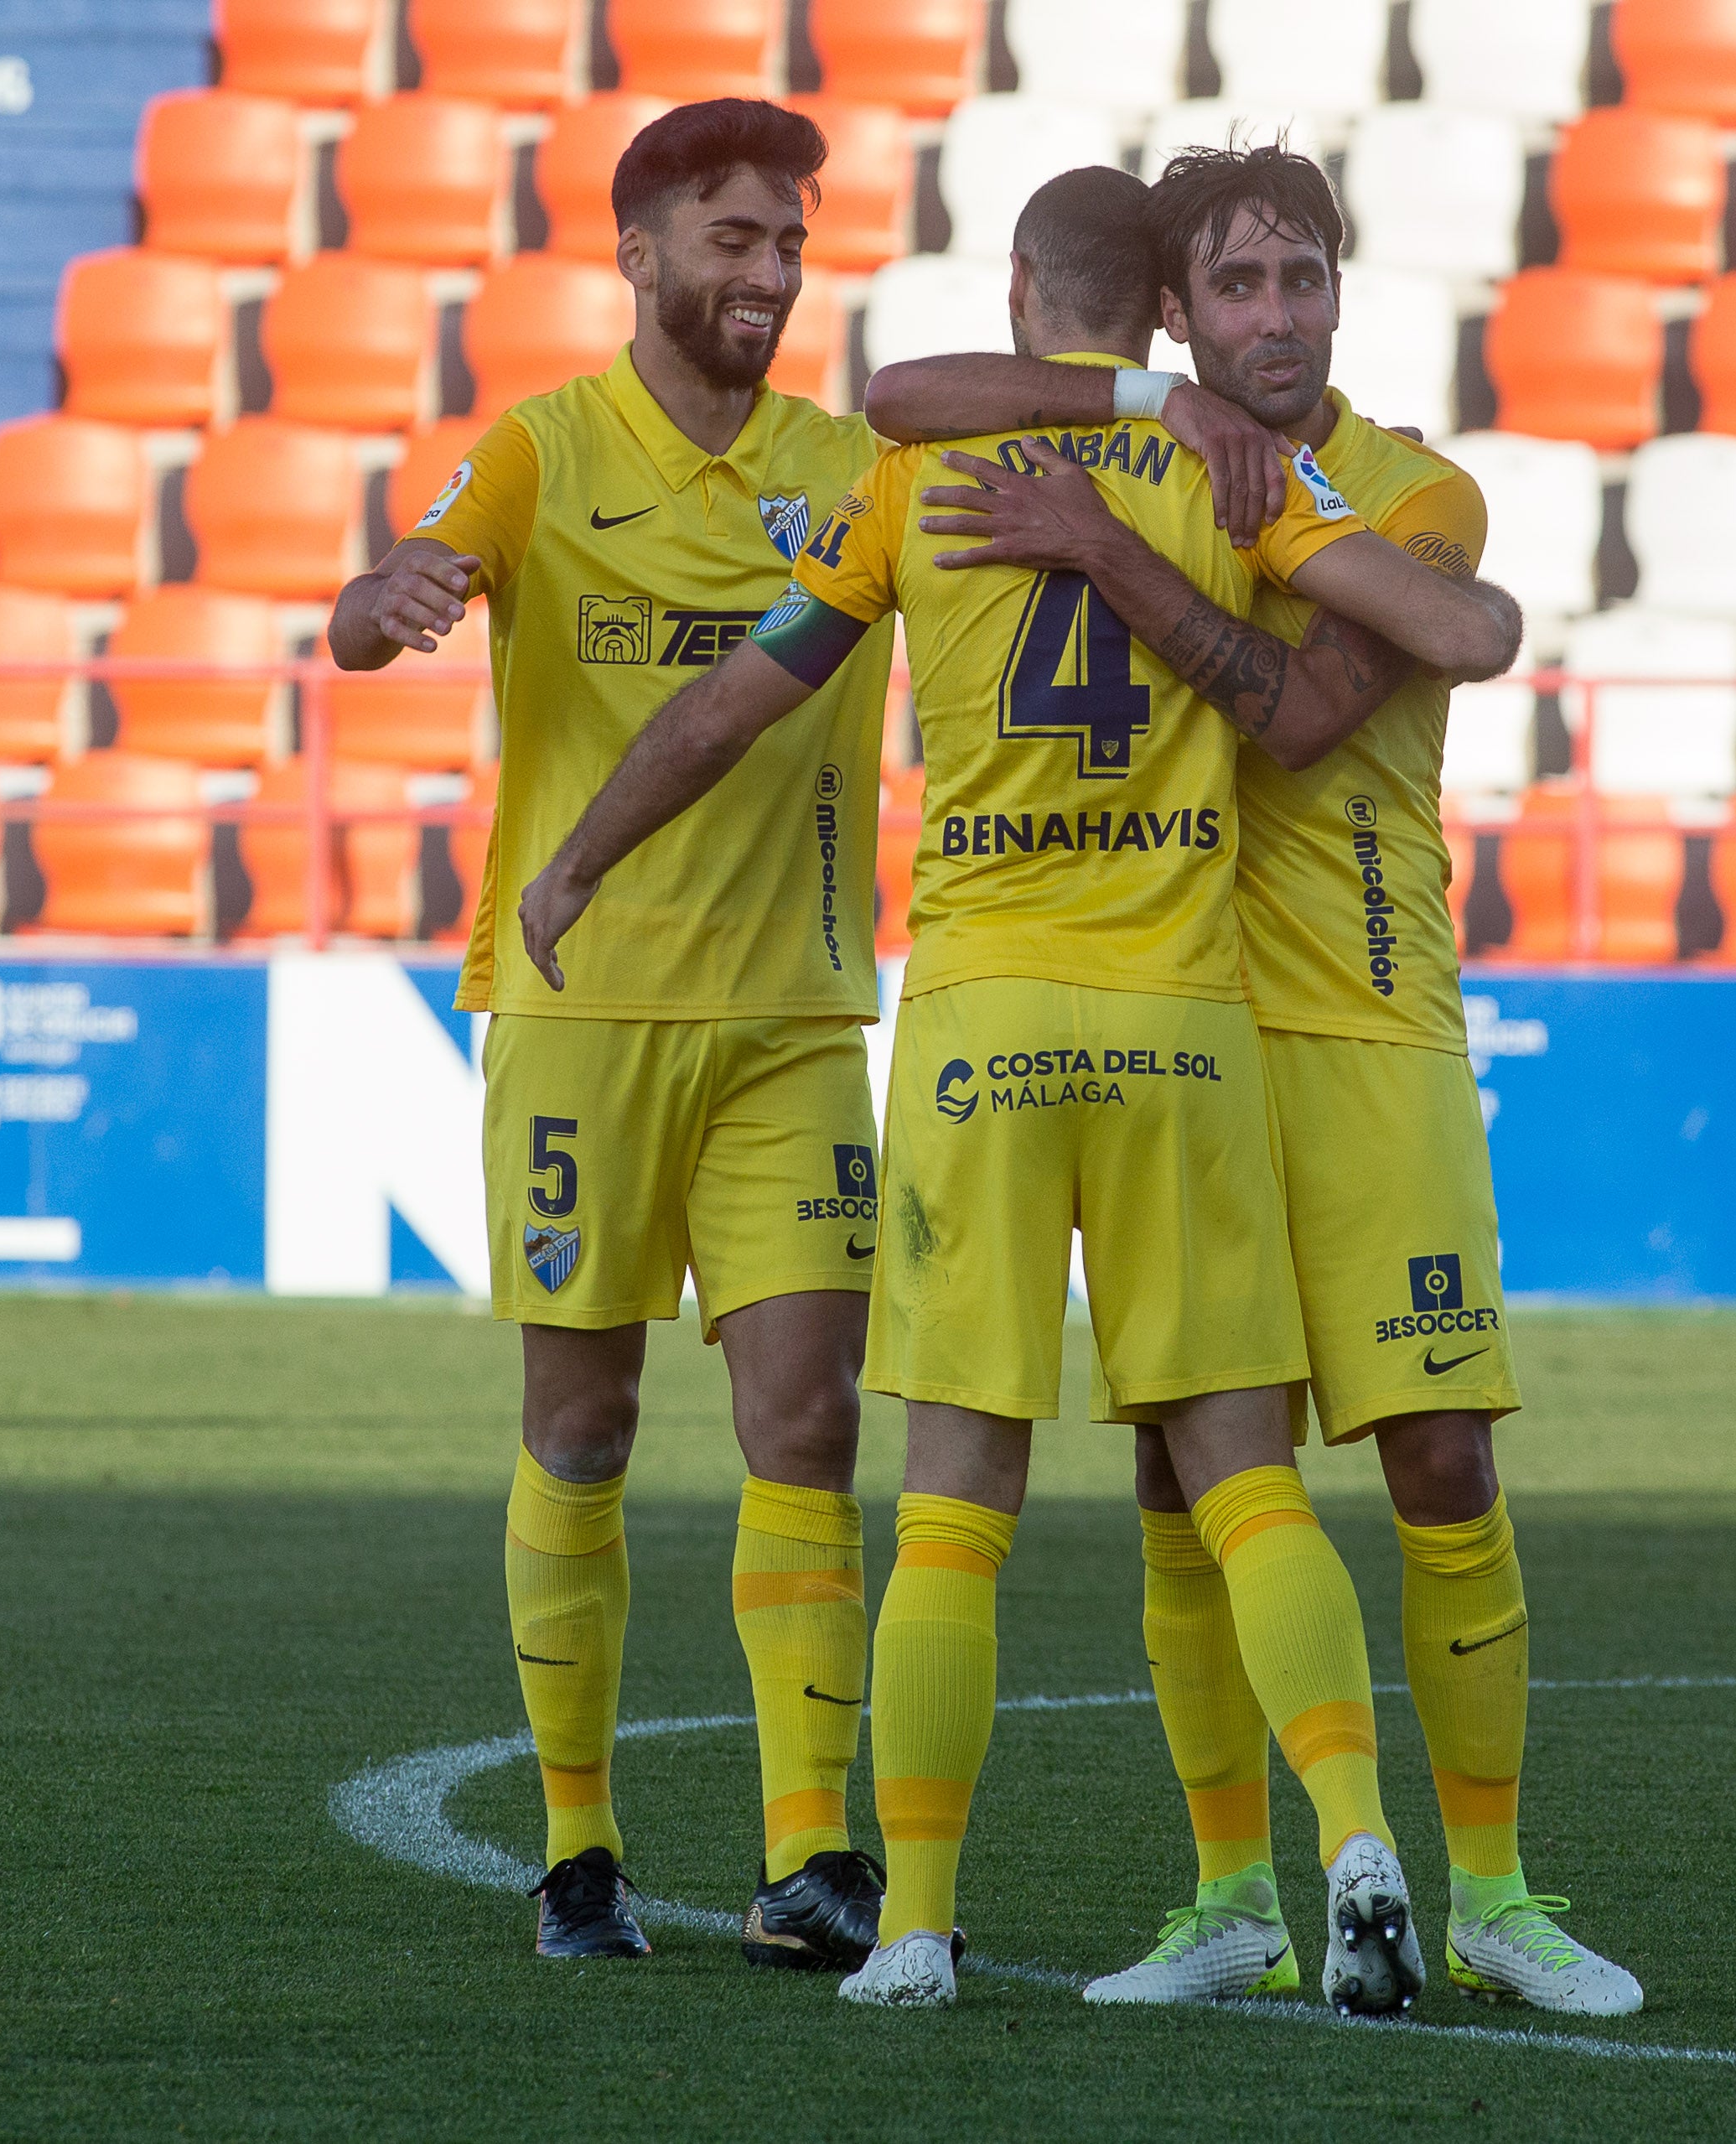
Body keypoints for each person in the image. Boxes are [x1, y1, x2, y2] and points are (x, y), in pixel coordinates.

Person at [516, 164, 1523, 2013]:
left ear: (1014, 290)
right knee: (1244, 1481)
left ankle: (907, 1921)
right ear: (1167, 310)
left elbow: (744, 694)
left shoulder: (922, 480)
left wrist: (579, 853)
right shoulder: (1240, 483)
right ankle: (1355, 1841)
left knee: (956, 1499)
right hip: (1183, 1025)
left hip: (982, 1026)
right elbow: (1464, 633)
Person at [864, 143, 1640, 2016]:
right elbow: (891, 398)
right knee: (1184, 1483)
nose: (1274, 313)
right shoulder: (1167, 437)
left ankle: (1498, 1897)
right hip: (1183, 1027)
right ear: (1178, 315)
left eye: (1301, 278)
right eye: (1237, 286)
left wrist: (1110, 539)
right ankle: (1230, 1897)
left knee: (1440, 1457)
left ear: (1343, 297)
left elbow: (1295, 717)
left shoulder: (1405, 492)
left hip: (1366, 1027)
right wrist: (1143, 430)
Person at [329, 99, 930, 1971]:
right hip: (581, 1017)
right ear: (641, 254)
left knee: (807, 1424)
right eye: (734, 238)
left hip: (792, 1020)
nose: (769, 272)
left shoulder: (852, 467)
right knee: (580, 1424)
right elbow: (363, 616)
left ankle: (811, 1854)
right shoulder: (539, 453)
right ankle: (577, 1850)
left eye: (789, 240)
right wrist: (381, 600)